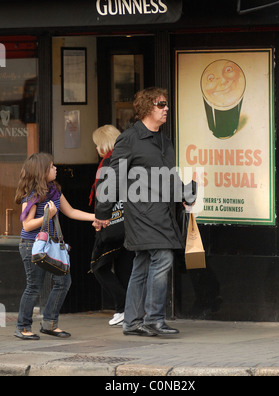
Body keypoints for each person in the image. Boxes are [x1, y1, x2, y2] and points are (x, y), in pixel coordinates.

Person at [94, 87, 196, 337]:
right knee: (163, 258)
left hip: (162, 212)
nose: (166, 108)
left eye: (166, 104)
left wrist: (184, 194)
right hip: (140, 213)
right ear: (146, 108)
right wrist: (103, 213)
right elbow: (113, 177)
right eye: (161, 104)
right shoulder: (129, 139)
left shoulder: (164, 139)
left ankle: (131, 322)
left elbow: (169, 175)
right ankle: (153, 319)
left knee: (142, 264)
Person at [14, 152, 95, 340]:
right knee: (34, 286)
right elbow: (26, 225)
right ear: (41, 171)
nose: (55, 168)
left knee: (63, 281)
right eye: (51, 166)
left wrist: (96, 217)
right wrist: (47, 216)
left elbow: (71, 211)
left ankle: (49, 324)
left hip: (50, 245)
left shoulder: (54, 190)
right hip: (32, 245)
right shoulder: (33, 195)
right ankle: (23, 326)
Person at [89, 125, 134, 327]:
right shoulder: (127, 160)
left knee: (98, 266)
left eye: (97, 144)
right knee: (125, 267)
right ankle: (128, 310)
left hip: (112, 223)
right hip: (129, 223)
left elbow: (105, 195)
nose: (96, 148)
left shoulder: (108, 163)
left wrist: (101, 218)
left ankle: (123, 307)